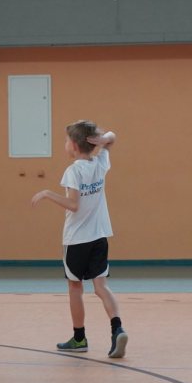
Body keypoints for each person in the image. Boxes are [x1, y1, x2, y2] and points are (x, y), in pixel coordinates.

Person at [31, 120, 127, 359]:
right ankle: (117, 329)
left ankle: (79, 338)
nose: (65, 144)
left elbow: (73, 204)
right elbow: (112, 137)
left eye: (66, 140)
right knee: (101, 287)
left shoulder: (73, 171)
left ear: (74, 145)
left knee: (75, 287)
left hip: (76, 240)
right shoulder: (99, 163)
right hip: (99, 236)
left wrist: (47, 193)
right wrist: (103, 140)